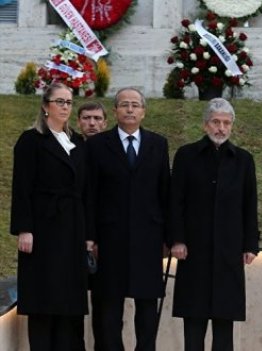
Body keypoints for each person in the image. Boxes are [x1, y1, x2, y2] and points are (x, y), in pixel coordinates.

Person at [170, 98, 260, 351]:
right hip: (193, 251)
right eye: (216, 122)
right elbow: (176, 200)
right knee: (194, 324)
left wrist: (250, 244)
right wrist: (177, 239)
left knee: (224, 326)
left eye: (226, 123)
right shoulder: (187, 155)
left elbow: (249, 203)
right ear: (205, 125)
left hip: (228, 252)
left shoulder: (243, 160)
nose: (221, 128)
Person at [85, 87, 171, 351]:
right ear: (115, 111)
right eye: (124, 105)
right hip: (110, 240)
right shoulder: (98, 145)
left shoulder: (158, 144)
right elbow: (90, 194)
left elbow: (164, 193)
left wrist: (168, 237)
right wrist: (90, 237)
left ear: (144, 111)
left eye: (135, 105)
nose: (130, 109)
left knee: (146, 309)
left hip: (148, 240)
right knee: (110, 309)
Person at [10, 82, 89, 350]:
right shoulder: (31, 140)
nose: (65, 107)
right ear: (46, 106)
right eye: (60, 101)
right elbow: (22, 187)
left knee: (68, 302)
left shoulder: (77, 142)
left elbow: (85, 189)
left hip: (73, 227)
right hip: (43, 228)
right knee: (44, 300)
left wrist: (88, 234)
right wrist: (24, 228)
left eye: (69, 102)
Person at [72, 101, 108, 351]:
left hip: (106, 238)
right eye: (86, 118)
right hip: (73, 236)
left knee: (105, 308)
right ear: (78, 122)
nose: (92, 123)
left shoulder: (112, 149)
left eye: (97, 118)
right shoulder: (70, 148)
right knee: (72, 305)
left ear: (105, 122)